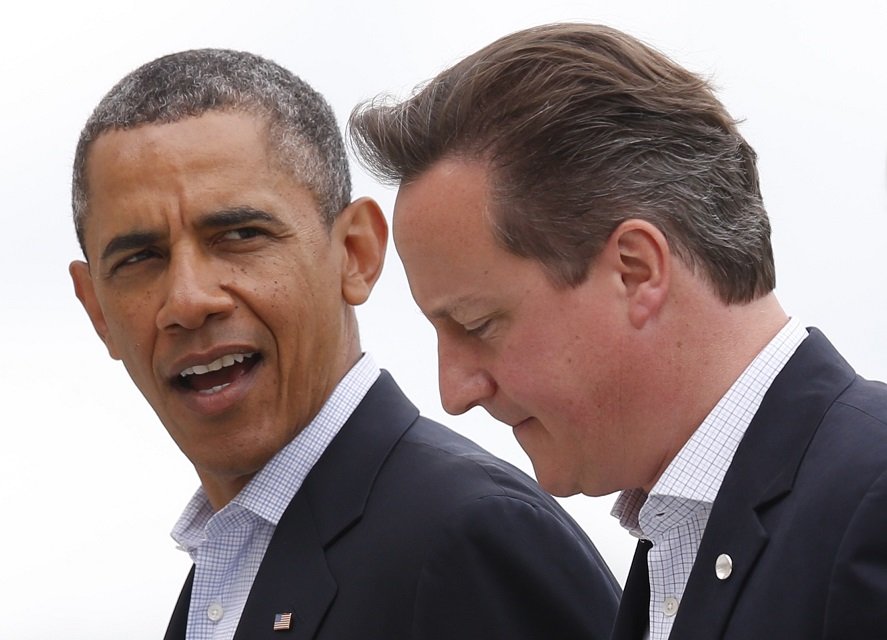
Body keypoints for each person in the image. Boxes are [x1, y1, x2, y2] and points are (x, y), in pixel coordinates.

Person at [348, 22, 887, 640]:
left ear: (635, 270)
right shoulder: (682, 543)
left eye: (477, 324)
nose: (454, 392)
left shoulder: (870, 505)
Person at [68, 48, 620, 640]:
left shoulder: (468, 538)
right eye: (140, 258)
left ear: (356, 253)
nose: (187, 300)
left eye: (239, 235)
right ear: (97, 308)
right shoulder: (229, 570)